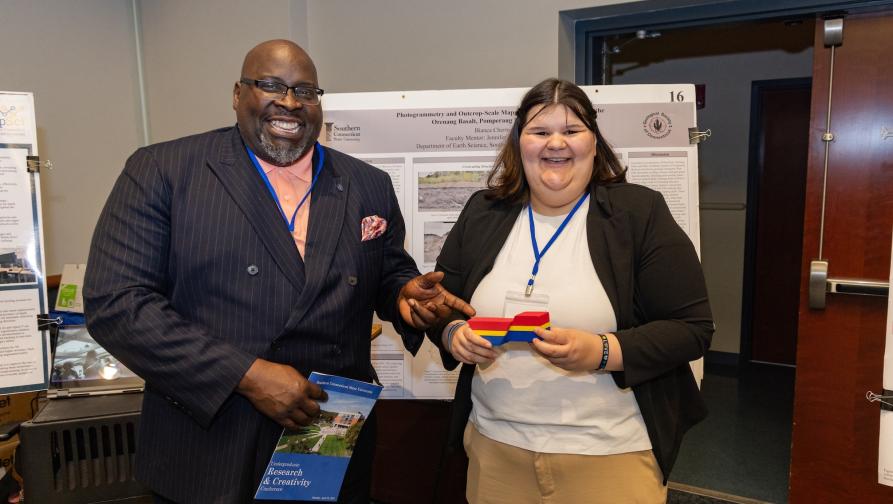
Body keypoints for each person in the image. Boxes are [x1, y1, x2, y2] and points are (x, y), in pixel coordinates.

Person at [83, 39, 472, 504]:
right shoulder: (164, 171)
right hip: (210, 439)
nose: (289, 102)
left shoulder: (367, 184)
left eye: (305, 91)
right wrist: (245, 375)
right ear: (237, 93)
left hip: (326, 433)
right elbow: (117, 303)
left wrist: (403, 296)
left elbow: (386, 270)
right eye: (270, 86)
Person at [429, 78, 714, 503]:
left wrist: (602, 351)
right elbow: (441, 303)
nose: (555, 143)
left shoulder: (639, 213)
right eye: (540, 131)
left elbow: (692, 328)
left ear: (594, 143)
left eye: (572, 131)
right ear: (519, 142)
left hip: (608, 457)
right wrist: (454, 336)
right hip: (496, 450)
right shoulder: (484, 211)